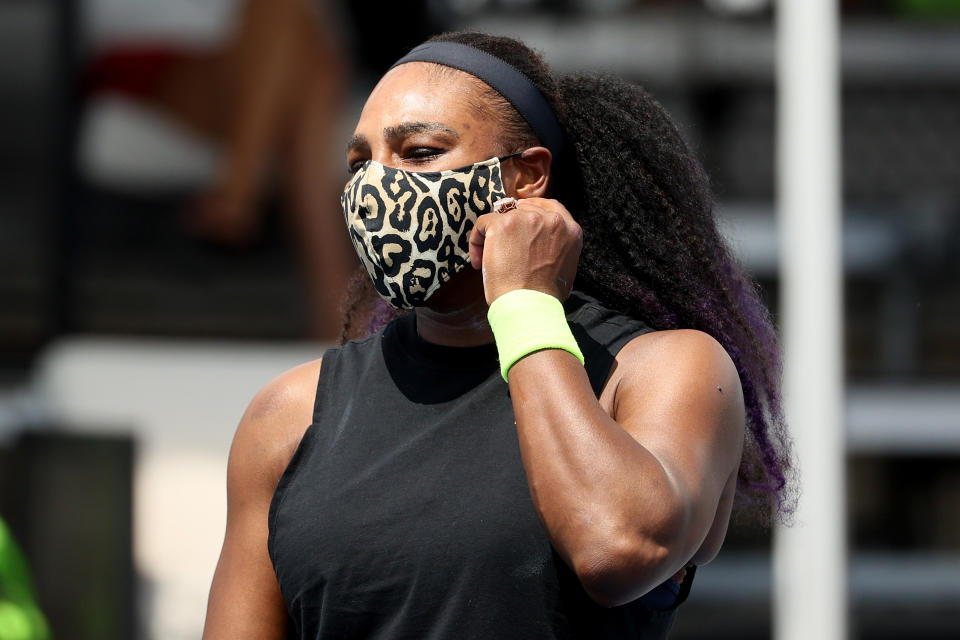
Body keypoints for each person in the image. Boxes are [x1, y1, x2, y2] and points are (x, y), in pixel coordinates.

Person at [201, 31, 794, 639]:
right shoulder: (289, 416)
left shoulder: (660, 371)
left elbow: (616, 548)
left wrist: (524, 305)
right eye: (360, 164)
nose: (378, 186)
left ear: (526, 178)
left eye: (420, 152)